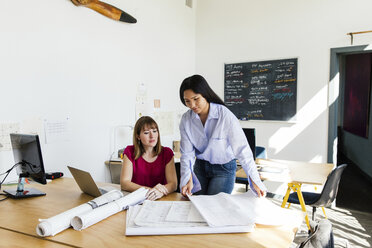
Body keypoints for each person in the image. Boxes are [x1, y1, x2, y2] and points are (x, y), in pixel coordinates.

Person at [179, 74, 267, 197]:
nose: (192, 105)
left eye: (196, 99)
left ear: (205, 94)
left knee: (215, 209)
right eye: (187, 101)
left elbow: (242, 149)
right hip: (200, 167)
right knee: (196, 207)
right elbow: (186, 154)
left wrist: (254, 180)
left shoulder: (224, 115)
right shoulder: (186, 120)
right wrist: (186, 179)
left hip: (223, 169)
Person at [120, 116, 177, 200]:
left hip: (161, 198)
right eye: (146, 133)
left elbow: (173, 184)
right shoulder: (129, 151)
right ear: (138, 136)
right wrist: (151, 191)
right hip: (138, 199)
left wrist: (160, 192)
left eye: (154, 131)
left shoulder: (167, 153)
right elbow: (124, 183)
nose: (152, 136)